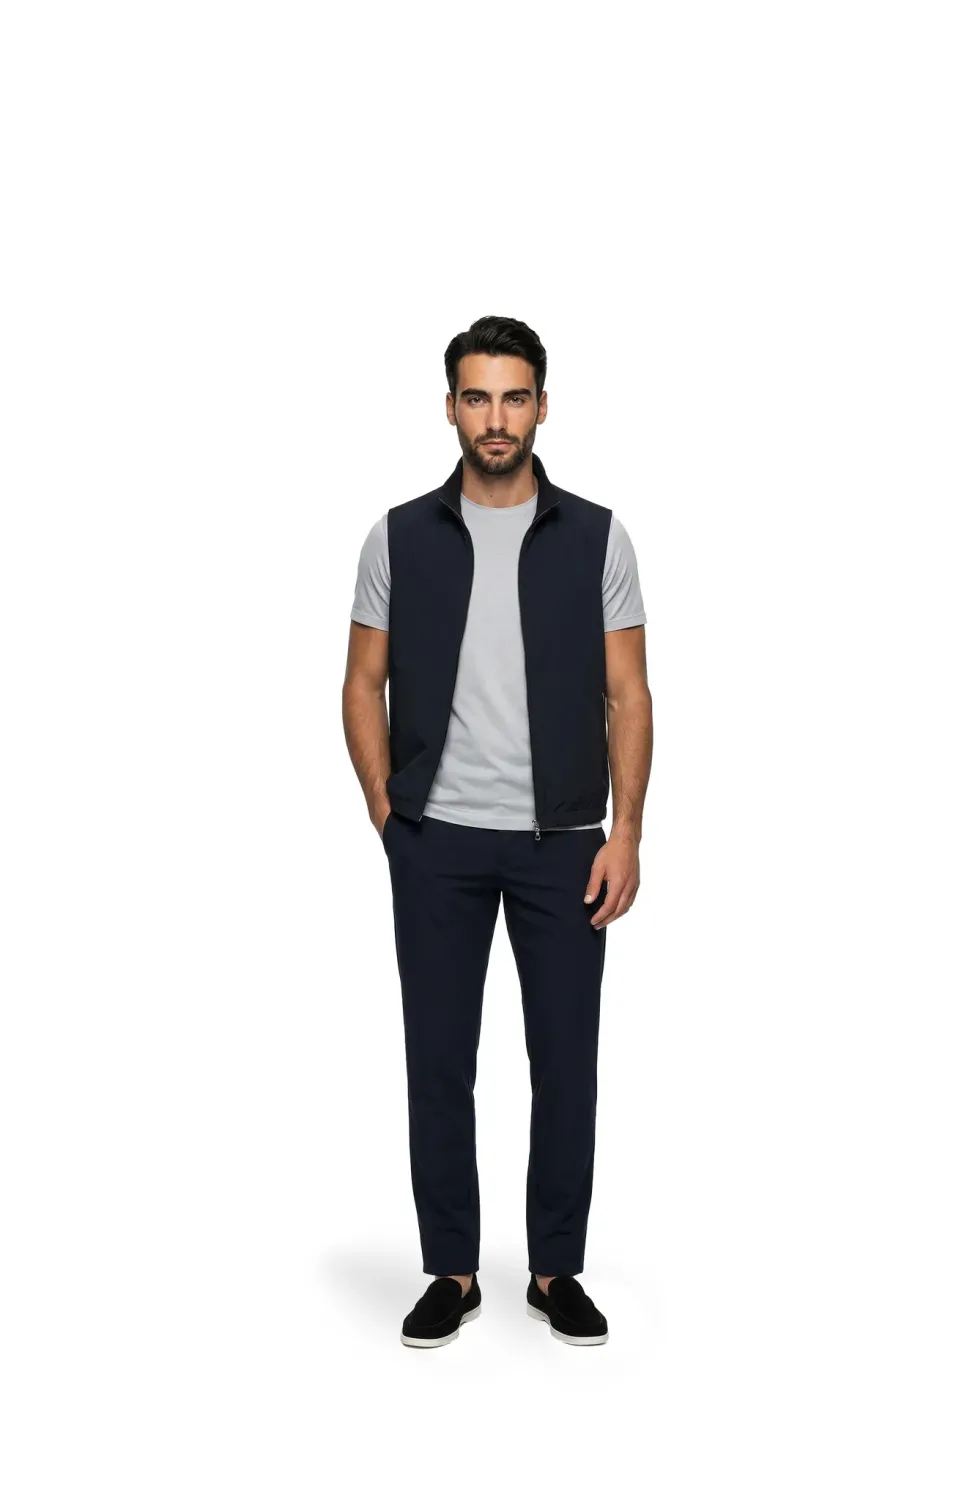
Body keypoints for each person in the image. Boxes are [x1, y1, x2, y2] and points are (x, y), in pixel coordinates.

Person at [343, 315, 653, 1348]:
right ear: (449, 408)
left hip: (565, 843)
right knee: (439, 1061)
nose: (495, 418)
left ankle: (555, 1270)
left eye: (514, 397)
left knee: (566, 1064)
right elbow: (361, 681)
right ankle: (453, 1271)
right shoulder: (396, 536)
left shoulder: (599, 536)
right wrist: (387, 812)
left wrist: (626, 833)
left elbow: (629, 693)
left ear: (542, 407)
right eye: (476, 397)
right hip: (435, 840)